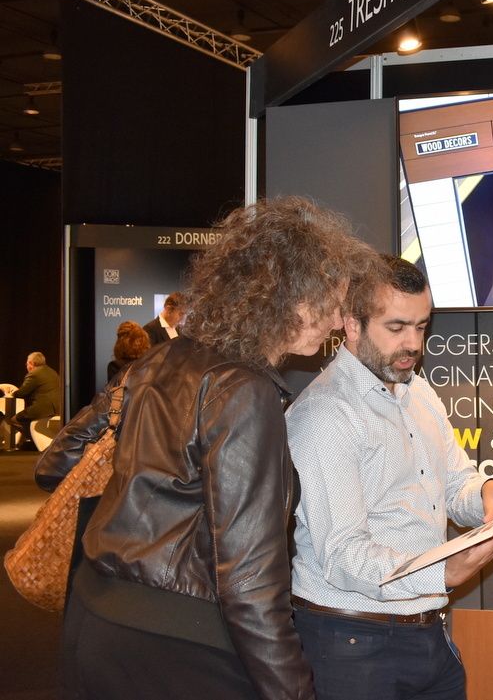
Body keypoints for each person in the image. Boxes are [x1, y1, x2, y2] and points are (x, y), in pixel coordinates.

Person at [36, 196, 376, 700]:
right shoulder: (244, 391)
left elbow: (54, 465)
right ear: (290, 298)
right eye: (332, 304)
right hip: (176, 648)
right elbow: (249, 579)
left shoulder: (158, 360)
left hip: (92, 617)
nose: (336, 321)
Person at [286, 253, 493, 700]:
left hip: (428, 635)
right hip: (352, 643)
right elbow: (344, 556)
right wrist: (442, 573)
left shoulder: (418, 391)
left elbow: (455, 484)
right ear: (352, 325)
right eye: (396, 328)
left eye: (422, 327)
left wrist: (487, 491)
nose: (413, 344)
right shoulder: (325, 415)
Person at [4, 351, 63, 450]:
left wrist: (12, 392)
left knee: (15, 420)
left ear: (31, 364)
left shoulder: (34, 374)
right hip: (57, 407)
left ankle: (33, 442)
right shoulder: (51, 372)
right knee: (26, 419)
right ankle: (32, 442)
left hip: (43, 408)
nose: (26, 366)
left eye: (27, 364)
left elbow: (22, 393)